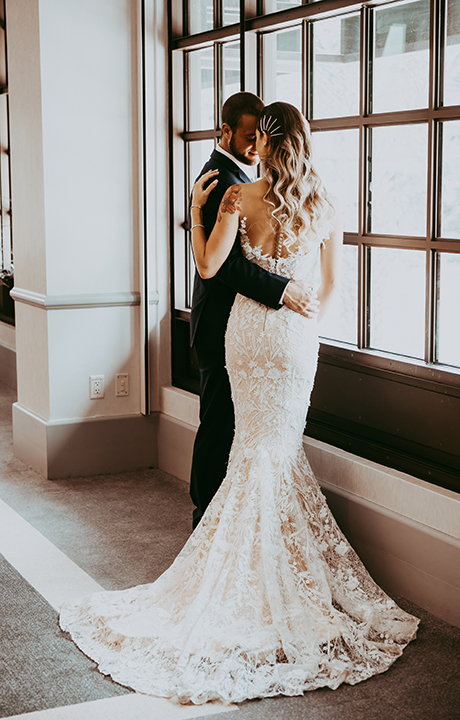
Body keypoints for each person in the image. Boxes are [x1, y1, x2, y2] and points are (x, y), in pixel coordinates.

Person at [60, 102, 419, 705]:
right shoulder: (327, 204)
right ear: (304, 142)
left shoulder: (240, 198)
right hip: (297, 340)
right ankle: (264, 568)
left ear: (266, 144)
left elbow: (207, 265)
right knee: (275, 449)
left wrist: (198, 220)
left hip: (248, 334)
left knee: (249, 448)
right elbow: (330, 286)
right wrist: (308, 330)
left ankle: (234, 562)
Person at [189, 91, 319, 529]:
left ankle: (234, 524)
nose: (252, 144)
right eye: (247, 135)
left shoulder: (245, 182)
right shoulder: (224, 180)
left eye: (258, 137)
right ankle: (205, 518)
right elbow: (222, 268)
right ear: (225, 131)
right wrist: (285, 290)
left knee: (239, 429)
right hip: (226, 323)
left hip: (256, 329)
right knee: (219, 424)